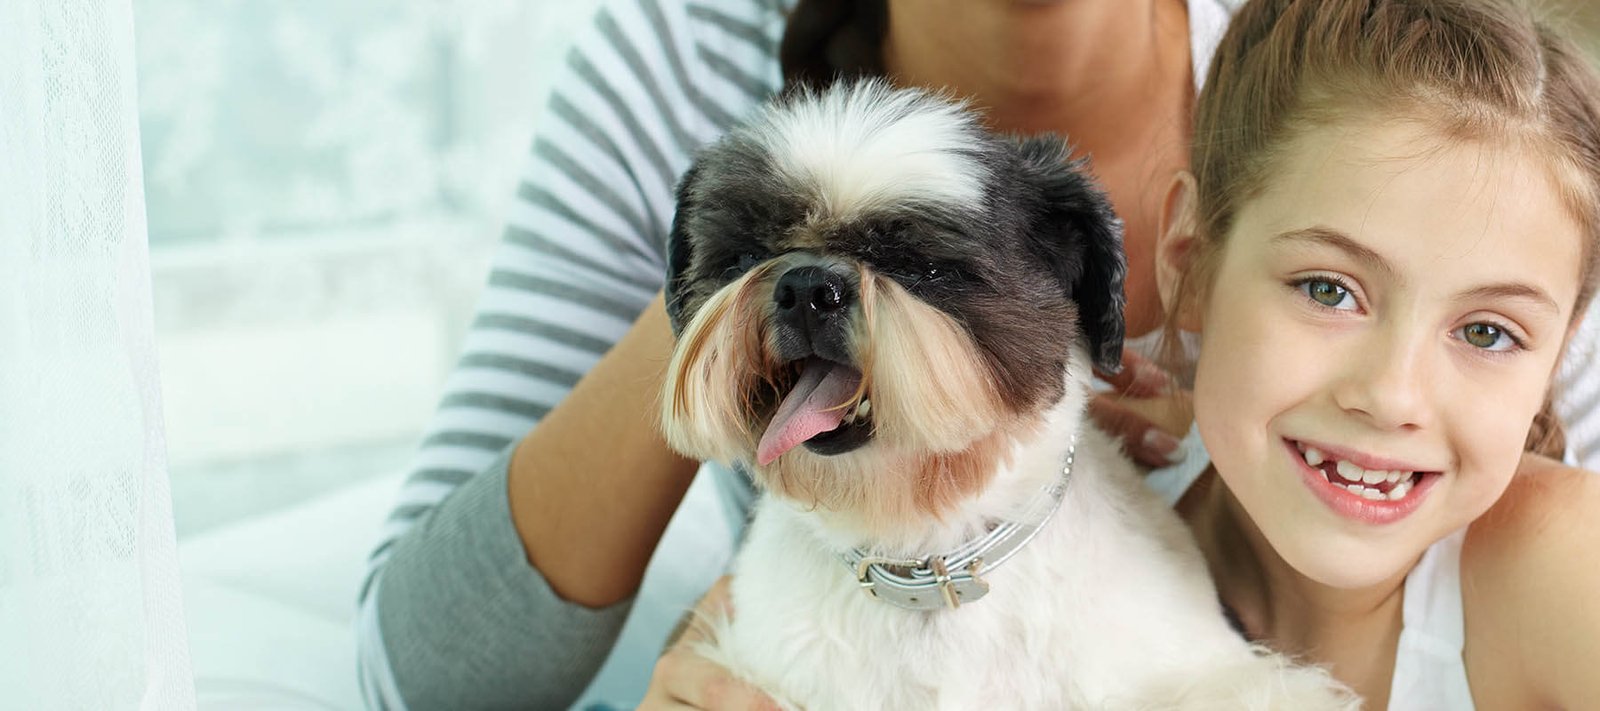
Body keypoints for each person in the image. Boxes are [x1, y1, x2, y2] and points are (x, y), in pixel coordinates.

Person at [357, 0, 1600, 709]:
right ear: (1188, 256)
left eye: (1480, 332)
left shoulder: (1375, 85)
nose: (1390, 386)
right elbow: (416, 675)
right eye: (1326, 288)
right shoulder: (685, 57)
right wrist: (738, 282)